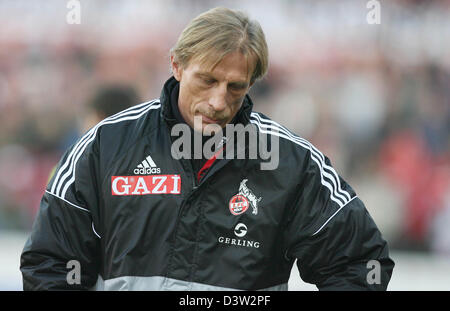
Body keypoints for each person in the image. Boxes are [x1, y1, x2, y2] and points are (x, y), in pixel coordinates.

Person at [20, 7, 394, 291]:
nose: (218, 101)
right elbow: (51, 260)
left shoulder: (292, 162)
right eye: (208, 80)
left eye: (235, 87)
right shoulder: (107, 143)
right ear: (177, 66)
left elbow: (361, 263)